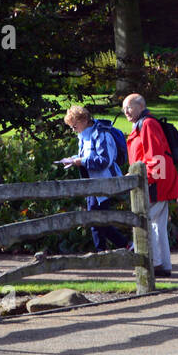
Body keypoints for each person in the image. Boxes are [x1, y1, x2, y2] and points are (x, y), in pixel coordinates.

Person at [122, 93, 177, 277]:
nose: (126, 111)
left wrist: (148, 180)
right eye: (124, 108)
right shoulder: (142, 124)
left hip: (155, 182)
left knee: (148, 222)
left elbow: (156, 156)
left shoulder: (147, 124)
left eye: (129, 107)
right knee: (156, 224)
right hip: (158, 180)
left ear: (140, 106)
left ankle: (154, 264)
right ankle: (162, 265)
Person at [62, 104, 128, 250]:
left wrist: (81, 161)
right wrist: (74, 159)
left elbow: (104, 161)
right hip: (91, 184)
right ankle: (104, 253)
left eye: (74, 126)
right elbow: (86, 156)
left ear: (84, 120)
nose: (73, 130)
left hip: (104, 183)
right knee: (96, 222)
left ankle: (125, 245)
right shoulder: (83, 135)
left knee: (97, 221)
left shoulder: (101, 134)